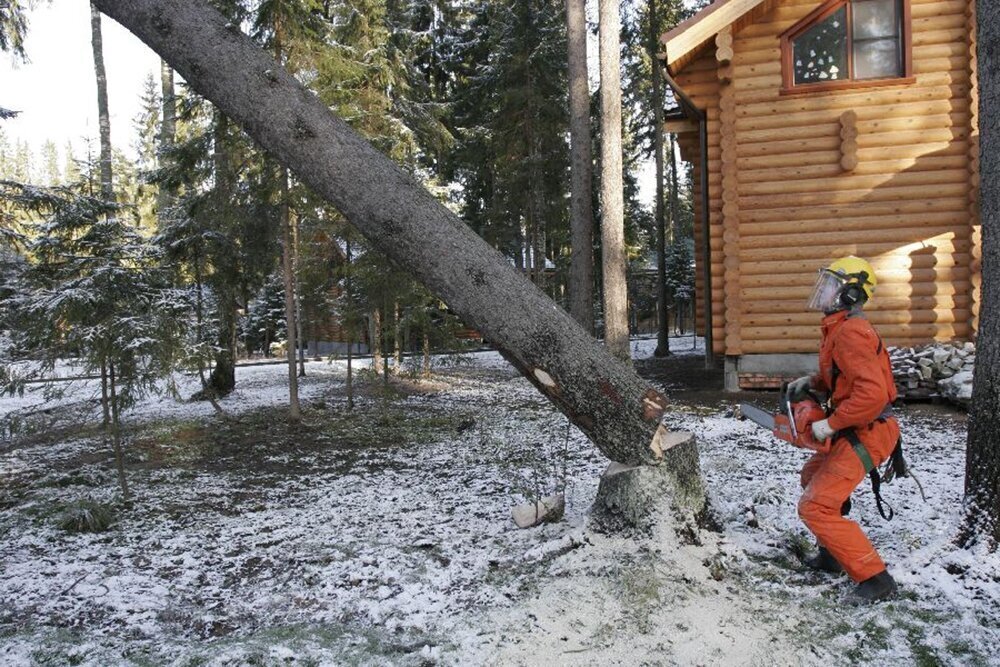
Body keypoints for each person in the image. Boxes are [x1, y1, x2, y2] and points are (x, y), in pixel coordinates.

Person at [786, 256, 900, 603]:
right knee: (812, 475)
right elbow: (847, 377)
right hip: (858, 425)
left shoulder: (851, 331)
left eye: (832, 284)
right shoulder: (838, 328)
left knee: (815, 506)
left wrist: (830, 424)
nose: (825, 291)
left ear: (850, 293)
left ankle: (876, 580)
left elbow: (872, 393)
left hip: (868, 430)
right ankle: (833, 554)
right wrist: (815, 381)